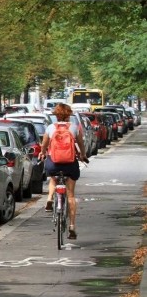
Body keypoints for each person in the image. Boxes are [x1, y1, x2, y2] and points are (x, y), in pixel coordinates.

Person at [39, 103, 88, 240]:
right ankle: (72, 226)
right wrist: (83, 155)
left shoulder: (50, 128)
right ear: (68, 115)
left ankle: (49, 199)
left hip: (53, 163)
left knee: (53, 179)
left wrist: (42, 154)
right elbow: (81, 144)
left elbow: (44, 145)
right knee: (71, 195)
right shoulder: (73, 128)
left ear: (56, 115)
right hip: (70, 164)